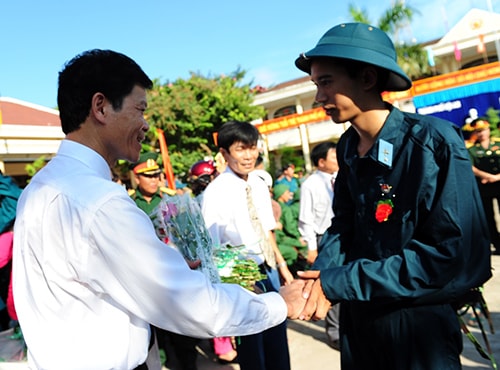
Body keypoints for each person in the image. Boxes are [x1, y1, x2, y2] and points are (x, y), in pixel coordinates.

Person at [12, 49, 307, 370]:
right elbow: (188, 303)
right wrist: (278, 304)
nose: (145, 124)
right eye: (140, 110)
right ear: (101, 107)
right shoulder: (100, 201)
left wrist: (172, 267)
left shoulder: (40, 188)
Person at [294, 23, 492, 370]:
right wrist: (317, 280)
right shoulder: (348, 148)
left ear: (367, 79)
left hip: (417, 323)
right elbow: (344, 226)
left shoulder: (434, 143)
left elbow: (448, 255)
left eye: (326, 83)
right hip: (361, 317)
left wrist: (340, 281)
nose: (318, 98)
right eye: (316, 85)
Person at [201, 120, 294, 370]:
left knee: (277, 340)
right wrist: (238, 283)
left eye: (253, 148)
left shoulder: (259, 183)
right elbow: (213, 248)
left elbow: (266, 229)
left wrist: (282, 266)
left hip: (268, 270)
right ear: (224, 153)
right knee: (253, 349)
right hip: (241, 279)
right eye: (241, 149)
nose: (249, 155)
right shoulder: (216, 193)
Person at [298, 141, 340, 350]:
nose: (338, 160)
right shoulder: (310, 184)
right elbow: (306, 219)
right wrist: (312, 248)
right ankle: (334, 332)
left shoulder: (343, 177)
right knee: (327, 282)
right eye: (334, 157)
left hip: (343, 234)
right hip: (323, 237)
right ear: (321, 162)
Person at [466, 117, 500, 255]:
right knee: (488, 217)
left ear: (488, 130)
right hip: (484, 187)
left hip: (499, 183)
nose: (481, 134)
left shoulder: (497, 144)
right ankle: (498, 244)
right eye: (478, 131)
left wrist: (497, 177)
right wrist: (488, 177)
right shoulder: (472, 149)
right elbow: (471, 167)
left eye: (484, 130)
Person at [273, 184, 308, 277]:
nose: (289, 194)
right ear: (281, 194)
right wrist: (298, 238)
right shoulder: (285, 209)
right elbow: (290, 227)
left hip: (278, 238)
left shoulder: (275, 206)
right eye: (287, 192)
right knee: (303, 248)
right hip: (281, 239)